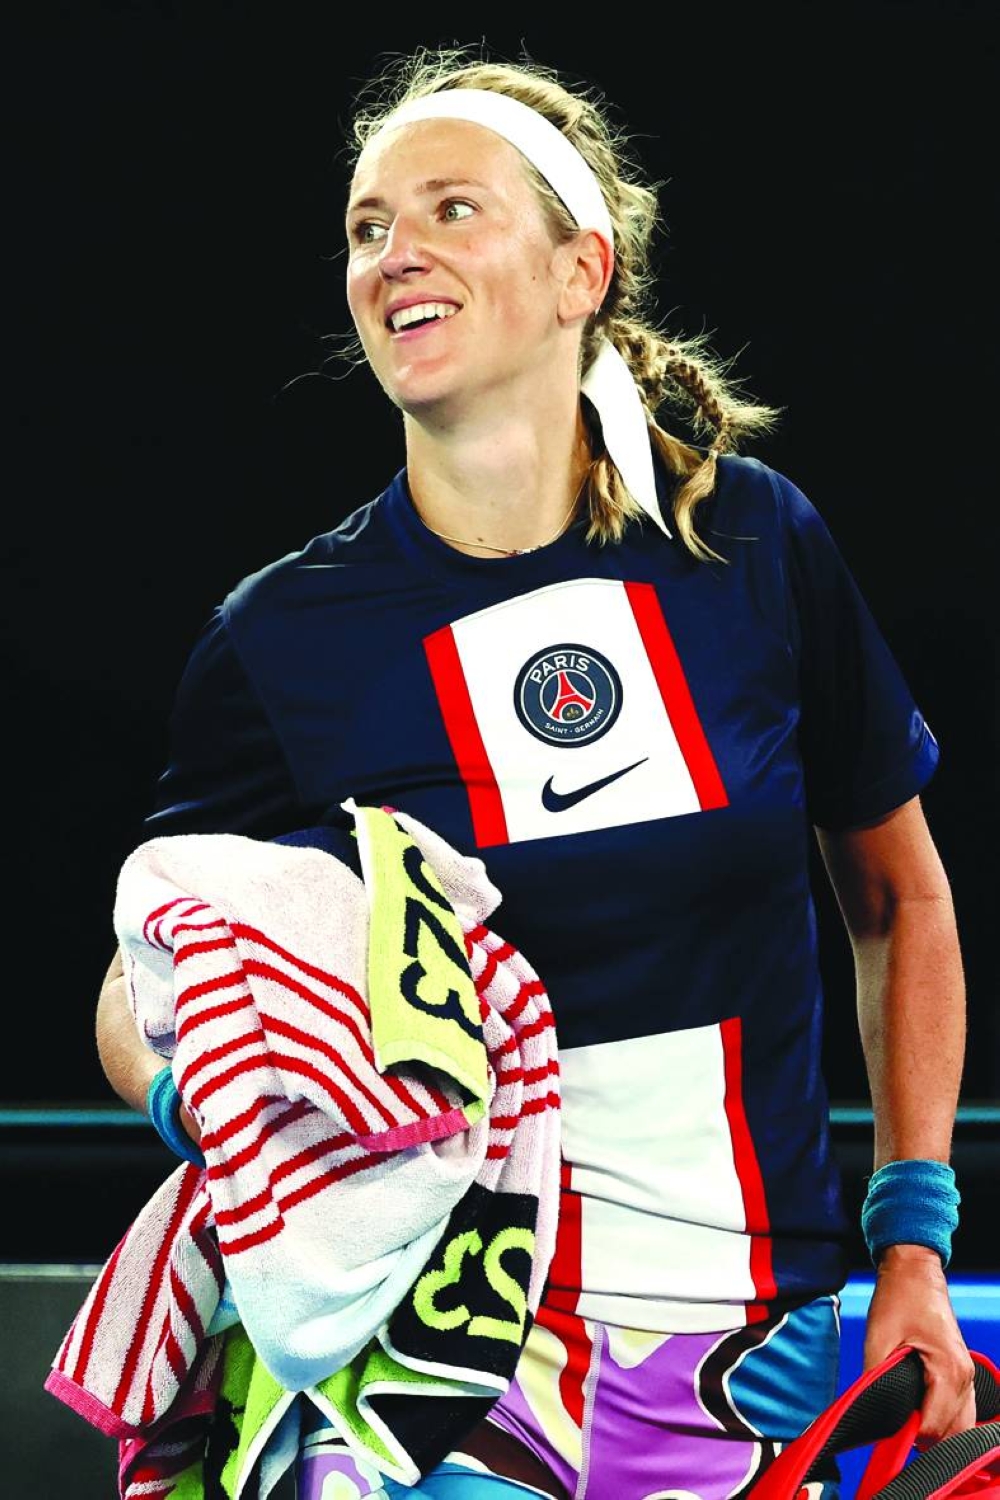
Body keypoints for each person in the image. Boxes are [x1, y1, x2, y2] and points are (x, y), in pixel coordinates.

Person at [93, 42, 975, 1500]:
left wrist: (915, 1241)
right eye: (369, 227)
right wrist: (209, 1103)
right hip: (445, 1359)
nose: (393, 255)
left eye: (450, 210)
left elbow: (900, 901)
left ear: (584, 272)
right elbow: (145, 966)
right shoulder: (281, 638)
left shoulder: (752, 546)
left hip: (754, 1349)